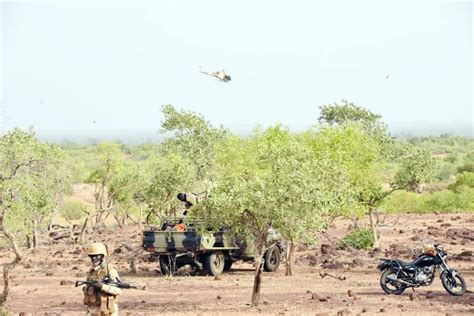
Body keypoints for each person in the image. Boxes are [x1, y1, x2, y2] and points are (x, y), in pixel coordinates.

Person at [83, 242, 122, 316]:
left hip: (107, 311)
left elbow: (118, 290)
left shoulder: (110, 270)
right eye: (92, 256)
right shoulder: (91, 272)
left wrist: (103, 287)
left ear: (102, 256)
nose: (94, 259)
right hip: (93, 311)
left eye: (96, 256)